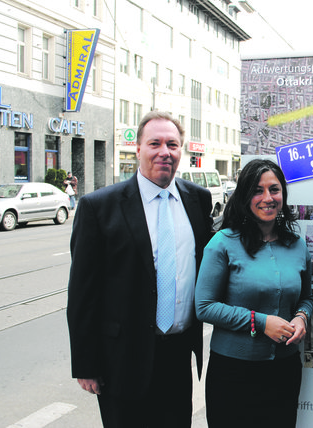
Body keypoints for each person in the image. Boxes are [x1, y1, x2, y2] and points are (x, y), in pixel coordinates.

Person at [67, 111, 214, 428]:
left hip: (177, 355)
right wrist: (86, 363)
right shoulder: (99, 207)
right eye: (155, 143)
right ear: (138, 149)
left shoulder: (198, 200)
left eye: (173, 144)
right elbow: (82, 293)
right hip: (121, 360)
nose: (165, 152)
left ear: (181, 151)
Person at [195, 159, 313, 428]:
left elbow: (305, 298)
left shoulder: (296, 245)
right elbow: (204, 306)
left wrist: (301, 318)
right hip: (233, 372)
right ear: (244, 195)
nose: (267, 198)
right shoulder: (223, 243)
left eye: (274, 189)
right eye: (258, 191)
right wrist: (261, 322)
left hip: (284, 370)